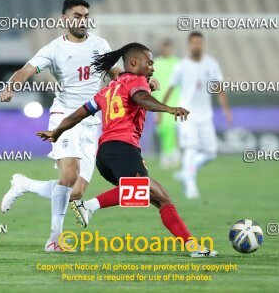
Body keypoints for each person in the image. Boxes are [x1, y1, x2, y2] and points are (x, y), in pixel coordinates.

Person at [37, 43, 217, 257]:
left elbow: (78, 115)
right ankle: (89, 207)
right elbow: (141, 98)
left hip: (105, 155)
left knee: (160, 198)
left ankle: (193, 247)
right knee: (139, 188)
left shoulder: (108, 89)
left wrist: (56, 132)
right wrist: (169, 108)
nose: (152, 67)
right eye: (149, 62)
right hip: (123, 148)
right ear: (133, 63)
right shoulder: (137, 81)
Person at [0, 0, 124, 252]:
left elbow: (118, 75)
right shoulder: (54, 49)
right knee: (68, 175)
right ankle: (54, 240)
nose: (82, 21)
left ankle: (25, 185)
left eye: (86, 16)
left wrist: (141, 83)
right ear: (65, 19)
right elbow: (26, 70)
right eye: (77, 16)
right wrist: (11, 86)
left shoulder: (100, 45)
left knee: (75, 191)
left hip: (91, 122)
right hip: (65, 119)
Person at [163, 32, 232, 199]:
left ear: (203, 44)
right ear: (189, 45)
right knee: (191, 147)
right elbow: (171, 87)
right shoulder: (182, 66)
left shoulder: (212, 64)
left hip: (205, 115)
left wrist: (226, 110)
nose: (196, 46)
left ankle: (186, 172)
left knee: (210, 152)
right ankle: (190, 187)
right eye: (193, 43)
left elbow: (219, 88)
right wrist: (163, 110)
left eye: (199, 43)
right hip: (186, 114)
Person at [153, 39, 181, 169]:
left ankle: (170, 155)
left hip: (176, 101)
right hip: (159, 101)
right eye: (164, 48)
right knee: (162, 130)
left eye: (168, 48)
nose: (166, 50)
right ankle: (170, 153)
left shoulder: (178, 63)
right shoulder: (156, 63)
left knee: (172, 128)